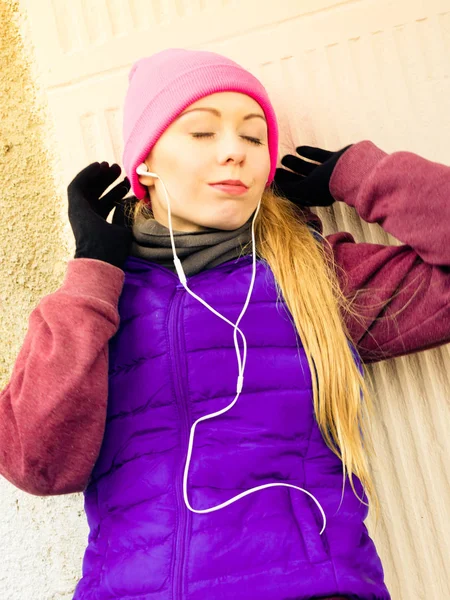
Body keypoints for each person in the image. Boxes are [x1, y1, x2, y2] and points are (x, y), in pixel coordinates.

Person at [0, 47, 449, 600]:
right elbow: (35, 465)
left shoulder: (316, 279)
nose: (235, 151)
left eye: (254, 136)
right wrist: (92, 272)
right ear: (145, 160)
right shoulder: (99, 306)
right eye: (202, 133)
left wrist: (363, 174)